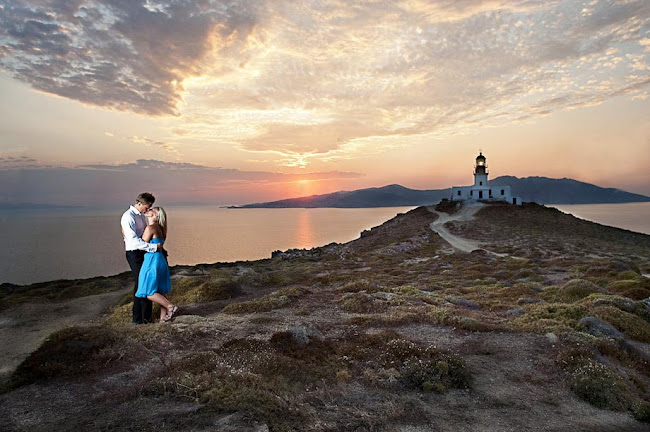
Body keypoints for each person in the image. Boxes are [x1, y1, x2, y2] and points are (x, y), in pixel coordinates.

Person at [121, 192, 164, 324]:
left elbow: (142, 236)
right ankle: (138, 320)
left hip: (143, 252)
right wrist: (154, 248)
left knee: (145, 284)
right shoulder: (128, 217)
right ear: (139, 203)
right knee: (141, 284)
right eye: (148, 206)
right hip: (134, 254)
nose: (149, 209)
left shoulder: (140, 216)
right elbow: (133, 242)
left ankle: (146, 318)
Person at [135, 206, 178, 322]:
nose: (148, 210)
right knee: (160, 291)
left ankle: (170, 306)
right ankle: (163, 319)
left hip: (151, 260)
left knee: (147, 291)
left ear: (156, 215)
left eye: (152, 210)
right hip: (160, 260)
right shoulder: (160, 228)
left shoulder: (151, 228)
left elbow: (140, 244)